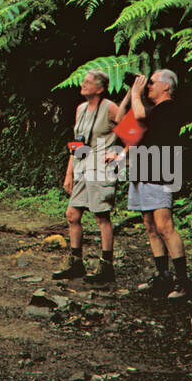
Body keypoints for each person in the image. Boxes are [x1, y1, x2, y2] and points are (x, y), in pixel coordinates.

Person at [115, 69, 192, 300]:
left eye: (151, 82)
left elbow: (139, 118)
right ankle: (163, 276)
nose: (148, 85)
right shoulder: (150, 109)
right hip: (143, 171)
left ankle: (183, 281)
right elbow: (122, 120)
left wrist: (138, 94)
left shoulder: (169, 109)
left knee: (164, 226)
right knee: (149, 225)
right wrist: (133, 92)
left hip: (161, 171)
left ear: (166, 86)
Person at [53, 70, 120, 285]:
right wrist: (69, 172)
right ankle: (76, 262)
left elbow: (131, 130)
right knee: (72, 213)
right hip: (82, 165)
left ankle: (106, 265)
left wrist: (118, 154)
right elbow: (77, 143)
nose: (83, 84)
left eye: (88, 82)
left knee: (101, 215)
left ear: (99, 88)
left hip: (101, 167)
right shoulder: (80, 109)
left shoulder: (110, 107)